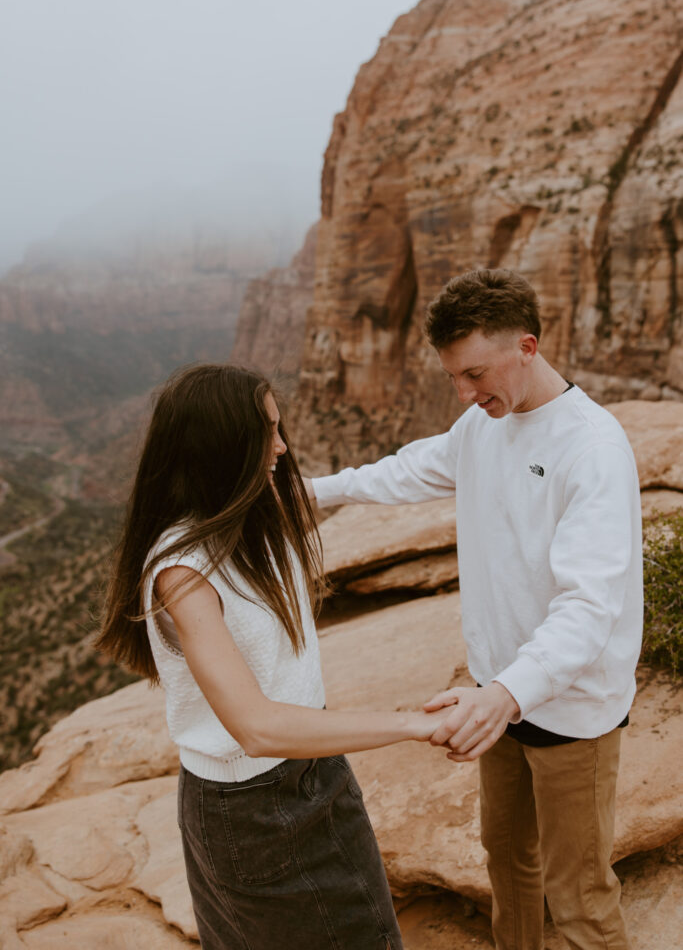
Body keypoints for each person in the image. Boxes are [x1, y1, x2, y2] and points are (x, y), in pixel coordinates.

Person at [305, 269, 642, 950]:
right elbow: (410, 468)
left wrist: (505, 696)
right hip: (499, 694)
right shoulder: (482, 423)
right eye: (453, 378)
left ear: (526, 345)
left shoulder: (592, 448)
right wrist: (312, 493)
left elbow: (588, 607)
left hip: (569, 708)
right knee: (506, 861)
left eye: (474, 373)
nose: (464, 393)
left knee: (577, 893)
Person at [95, 362, 453, 950]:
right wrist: (416, 724)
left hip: (318, 773)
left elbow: (373, 478)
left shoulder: (256, 512)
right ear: (221, 448)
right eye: (268, 433)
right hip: (250, 808)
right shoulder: (182, 572)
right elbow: (257, 728)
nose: (283, 448)